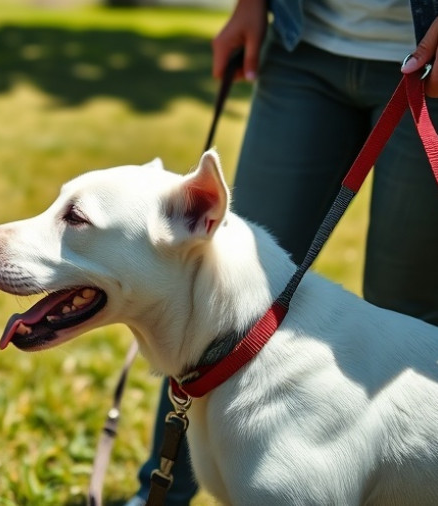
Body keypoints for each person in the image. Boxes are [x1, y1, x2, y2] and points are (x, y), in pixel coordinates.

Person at [126, 0, 438, 503]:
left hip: (430, 58)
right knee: (209, 289)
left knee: (407, 310)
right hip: (303, 44)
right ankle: (157, 493)